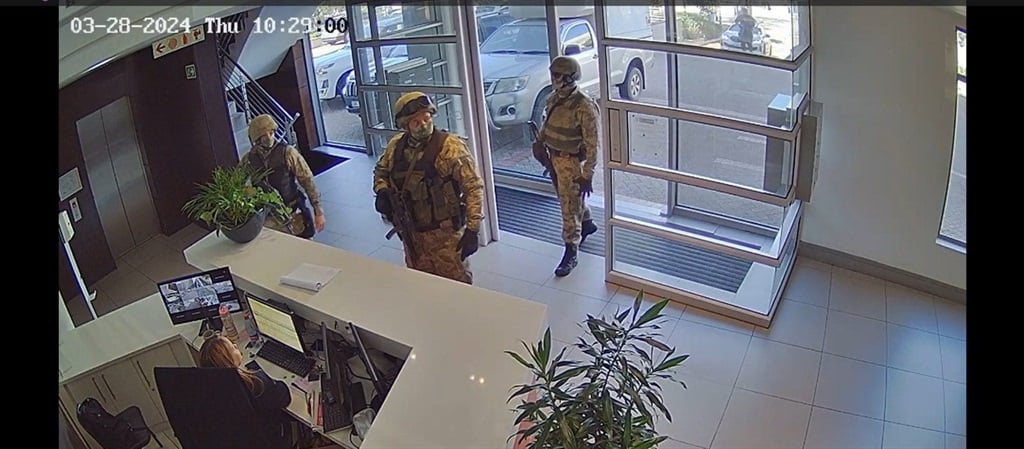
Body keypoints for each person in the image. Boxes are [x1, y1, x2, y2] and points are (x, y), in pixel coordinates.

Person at [372, 92, 485, 284]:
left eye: (426, 118)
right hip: (412, 235)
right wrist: (382, 191)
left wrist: (473, 229)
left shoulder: (450, 147)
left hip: (445, 236)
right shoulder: (396, 147)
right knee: (422, 286)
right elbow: (381, 172)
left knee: (458, 288)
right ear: (405, 125)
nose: (424, 124)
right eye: (416, 122)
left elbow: (473, 187)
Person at [535, 56, 600, 277]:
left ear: (568, 77)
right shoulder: (554, 98)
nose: (552, 79)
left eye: (556, 75)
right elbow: (546, 123)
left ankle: (571, 249)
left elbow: (592, 144)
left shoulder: (584, 106)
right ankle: (587, 223)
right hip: (553, 157)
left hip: (570, 162)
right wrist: (540, 143)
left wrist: (587, 174)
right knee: (570, 199)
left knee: (568, 206)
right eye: (552, 74)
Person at [240, 114, 326, 239]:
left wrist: (318, 210)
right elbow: (237, 183)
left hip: (292, 213)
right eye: (264, 135)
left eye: (271, 132)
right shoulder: (249, 159)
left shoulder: (288, 153)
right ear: (256, 139)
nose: (269, 137)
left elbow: (307, 180)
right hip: (266, 218)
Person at [197, 335, 292, 449]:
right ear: (228, 360)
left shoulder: (207, 393)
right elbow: (284, 396)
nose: (236, 345)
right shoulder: (257, 384)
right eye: (233, 347)